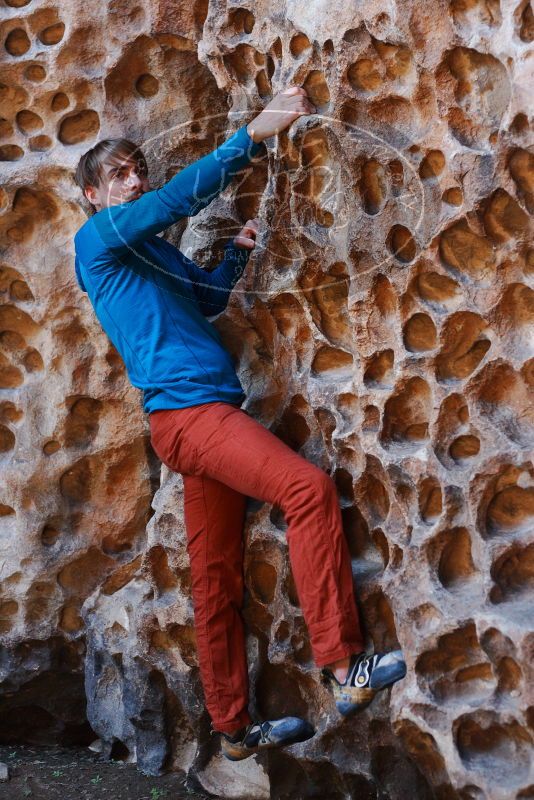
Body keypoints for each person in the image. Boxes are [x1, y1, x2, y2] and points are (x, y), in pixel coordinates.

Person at [73, 86, 406, 762]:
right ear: (90, 195)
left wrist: (236, 254)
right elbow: (171, 204)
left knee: (214, 580)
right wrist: (251, 136)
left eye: (138, 167)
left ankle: (231, 728)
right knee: (307, 489)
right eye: (117, 173)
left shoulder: (155, 256)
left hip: (191, 426)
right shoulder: (98, 237)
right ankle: (345, 668)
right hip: (192, 418)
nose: (135, 179)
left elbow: (204, 300)